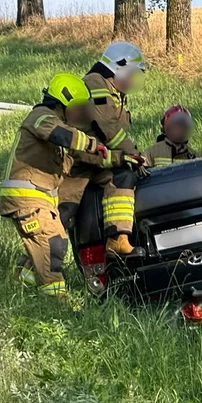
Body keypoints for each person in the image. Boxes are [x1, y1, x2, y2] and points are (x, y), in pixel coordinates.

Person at [0, 74, 114, 298]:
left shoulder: (61, 129)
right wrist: (91, 143)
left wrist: (120, 158)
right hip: (27, 198)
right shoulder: (41, 116)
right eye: (78, 108)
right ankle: (56, 302)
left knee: (49, 246)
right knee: (54, 246)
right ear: (63, 103)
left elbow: (87, 157)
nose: (81, 114)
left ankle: (21, 286)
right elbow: (59, 134)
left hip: (39, 199)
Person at [58, 41, 147, 256]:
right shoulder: (95, 82)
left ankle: (118, 239)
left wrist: (128, 157)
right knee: (62, 214)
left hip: (96, 161)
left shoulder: (113, 90)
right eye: (132, 73)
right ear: (119, 67)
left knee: (123, 177)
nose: (132, 80)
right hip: (76, 163)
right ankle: (32, 264)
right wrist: (132, 153)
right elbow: (109, 128)